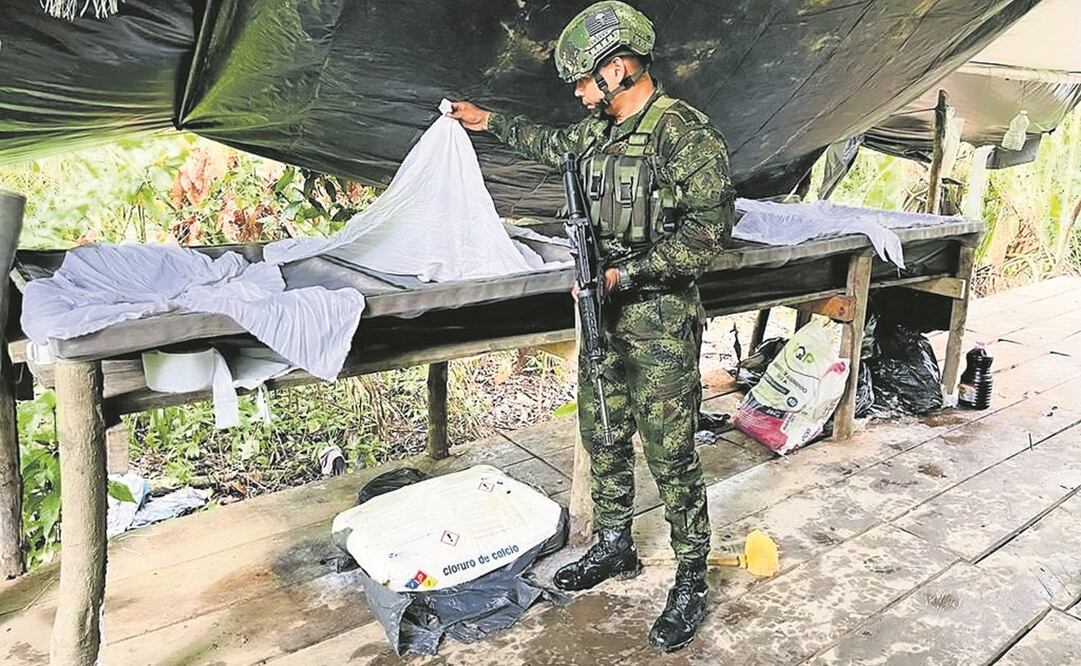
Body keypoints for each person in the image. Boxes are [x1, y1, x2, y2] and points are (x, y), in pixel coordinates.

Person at [450, 0, 734, 653]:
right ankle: (614, 545)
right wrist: (486, 120)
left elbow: (705, 236)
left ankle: (691, 577)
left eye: (584, 78)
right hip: (600, 309)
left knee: (669, 450)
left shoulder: (684, 135)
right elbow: (549, 144)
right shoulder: (594, 136)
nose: (577, 92)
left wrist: (623, 278)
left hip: (657, 318)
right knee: (602, 429)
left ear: (621, 66)